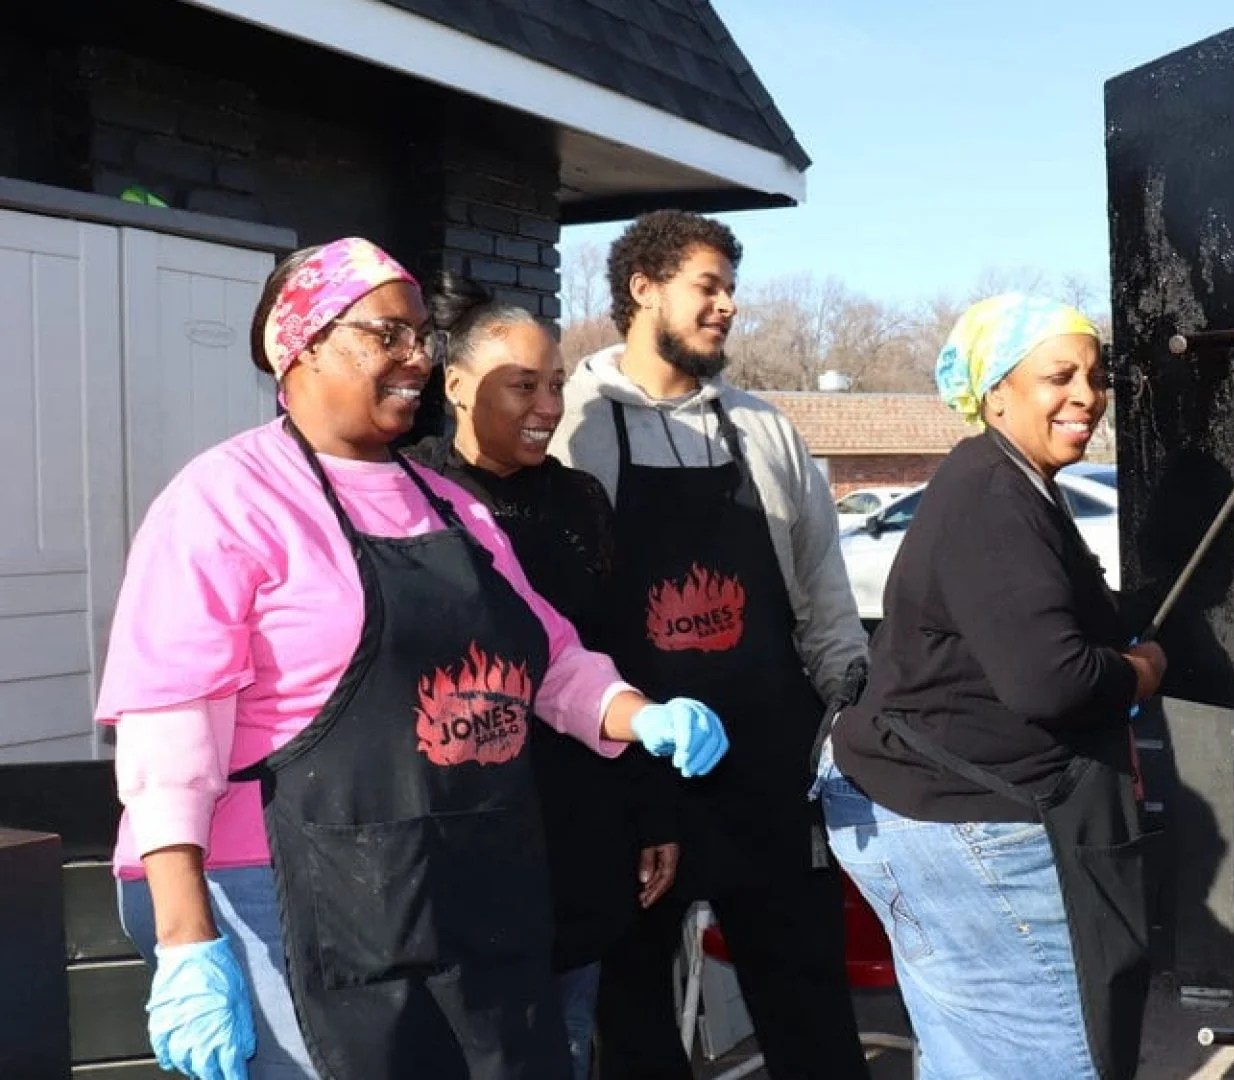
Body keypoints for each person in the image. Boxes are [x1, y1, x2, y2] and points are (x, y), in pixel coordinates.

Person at [99, 237, 731, 1080]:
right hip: (271, 888)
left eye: (422, 338)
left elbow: (547, 655)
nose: (417, 359)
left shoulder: (449, 502)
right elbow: (167, 739)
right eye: (386, 335)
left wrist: (638, 714)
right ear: (303, 343)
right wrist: (186, 942)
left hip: (447, 881)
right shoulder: (225, 500)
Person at [552, 210, 871, 1079]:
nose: (727, 305)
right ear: (643, 289)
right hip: (633, 768)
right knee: (634, 1012)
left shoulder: (764, 430)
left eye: (732, 288)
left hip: (768, 765)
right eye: (708, 285)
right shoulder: (573, 425)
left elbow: (822, 586)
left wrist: (844, 702)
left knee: (807, 996)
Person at [820, 294, 1169, 1080]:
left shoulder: (1012, 480)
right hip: (966, 822)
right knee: (1040, 1058)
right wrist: (1142, 671)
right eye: (1059, 375)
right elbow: (1053, 679)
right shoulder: (992, 495)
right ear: (995, 393)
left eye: (1094, 374)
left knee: (973, 1055)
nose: (1087, 394)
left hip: (931, 807)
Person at [403, 273, 683, 1080]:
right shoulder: (413, 494)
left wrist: (653, 807)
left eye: (556, 384)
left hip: (579, 824)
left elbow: (618, 652)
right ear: (457, 385)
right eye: (523, 385)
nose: (549, 406)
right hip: (460, 822)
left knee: (563, 1036)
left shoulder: (579, 499)